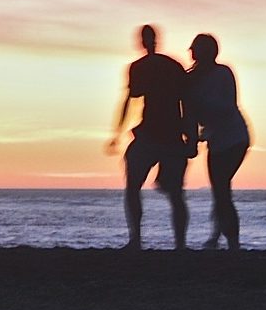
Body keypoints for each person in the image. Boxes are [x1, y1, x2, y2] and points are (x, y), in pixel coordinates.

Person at [106, 24, 196, 250]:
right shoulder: (168, 66)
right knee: (167, 192)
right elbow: (187, 103)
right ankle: (162, 242)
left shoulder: (145, 67)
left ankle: (144, 240)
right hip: (159, 135)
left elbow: (130, 99)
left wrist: (192, 137)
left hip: (162, 135)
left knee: (159, 190)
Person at [186, 32, 251, 250]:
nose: (191, 53)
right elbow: (191, 115)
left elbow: (228, 106)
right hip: (216, 139)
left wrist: (201, 105)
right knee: (220, 189)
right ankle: (218, 235)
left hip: (234, 137)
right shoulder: (192, 79)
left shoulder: (223, 73)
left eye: (195, 48)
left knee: (222, 189)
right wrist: (193, 139)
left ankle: (232, 241)